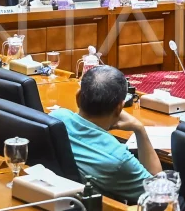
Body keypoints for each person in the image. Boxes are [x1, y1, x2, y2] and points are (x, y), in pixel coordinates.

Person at [48, 65, 160, 203]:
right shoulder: (119, 158)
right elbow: (160, 191)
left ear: (78, 97)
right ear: (119, 108)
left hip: (55, 200)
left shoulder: (56, 118)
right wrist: (140, 129)